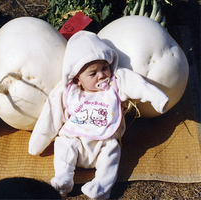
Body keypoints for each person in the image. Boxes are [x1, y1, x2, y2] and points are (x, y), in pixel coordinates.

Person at [29, 30, 169, 199]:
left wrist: (158, 99)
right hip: (76, 140)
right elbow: (50, 115)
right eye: (93, 73)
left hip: (103, 142)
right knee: (62, 144)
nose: (102, 75)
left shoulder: (115, 83)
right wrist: (37, 143)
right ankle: (63, 178)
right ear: (77, 78)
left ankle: (100, 188)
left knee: (112, 152)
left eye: (105, 68)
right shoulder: (68, 92)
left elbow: (138, 84)